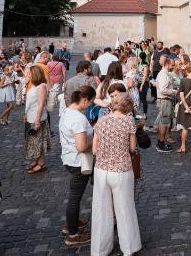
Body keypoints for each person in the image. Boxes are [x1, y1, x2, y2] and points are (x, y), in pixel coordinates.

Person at [90, 94, 141, 255]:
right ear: (127, 107)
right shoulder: (128, 121)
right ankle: (128, 248)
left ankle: (99, 250)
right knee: (124, 208)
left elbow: (94, 150)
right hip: (121, 170)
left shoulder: (101, 121)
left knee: (100, 211)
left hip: (101, 170)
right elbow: (132, 148)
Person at [59, 85, 96, 246]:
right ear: (85, 100)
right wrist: (95, 139)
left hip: (69, 159)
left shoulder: (67, 112)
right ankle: (72, 234)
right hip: (79, 162)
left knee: (75, 196)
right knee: (75, 198)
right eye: (91, 102)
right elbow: (81, 146)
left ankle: (72, 223)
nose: (90, 105)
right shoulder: (78, 119)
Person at [24, 64, 50, 173]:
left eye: (29, 73)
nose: (27, 75)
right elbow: (29, 102)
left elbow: (40, 104)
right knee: (33, 141)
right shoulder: (33, 85)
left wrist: (37, 120)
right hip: (31, 116)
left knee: (37, 141)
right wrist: (25, 114)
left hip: (37, 118)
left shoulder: (41, 86)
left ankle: (41, 162)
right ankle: (37, 160)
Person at [154, 56, 177, 152]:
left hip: (165, 100)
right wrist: (174, 91)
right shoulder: (163, 74)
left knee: (163, 123)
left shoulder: (164, 73)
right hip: (165, 100)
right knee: (164, 123)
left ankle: (161, 142)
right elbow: (163, 90)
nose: (173, 67)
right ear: (167, 64)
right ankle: (161, 144)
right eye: (172, 65)